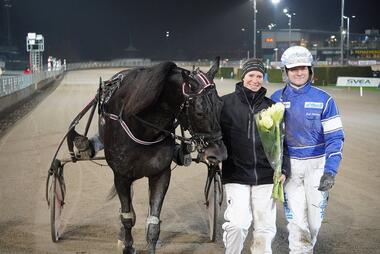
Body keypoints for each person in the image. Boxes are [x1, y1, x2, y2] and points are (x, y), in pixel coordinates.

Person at [271, 46, 345, 253]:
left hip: (318, 166)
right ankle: (300, 250)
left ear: (310, 70)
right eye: (293, 69)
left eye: (303, 68)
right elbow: (269, 138)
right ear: (285, 71)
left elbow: (335, 137)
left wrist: (330, 170)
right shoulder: (276, 98)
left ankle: (306, 246)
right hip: (289, 168)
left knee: (314, 222)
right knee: (295, 219)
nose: (299, 72)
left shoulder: (325, 99)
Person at [220, 58, 290, 254]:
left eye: (259, 76)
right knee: (238, 224)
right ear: (243, 77)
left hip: (266, 176)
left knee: (265, 228)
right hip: (236, 174)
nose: (255, 80)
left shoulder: (273, 107)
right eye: (251, 75)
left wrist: (283, 168)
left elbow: (282, 142)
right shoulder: (224, 104)